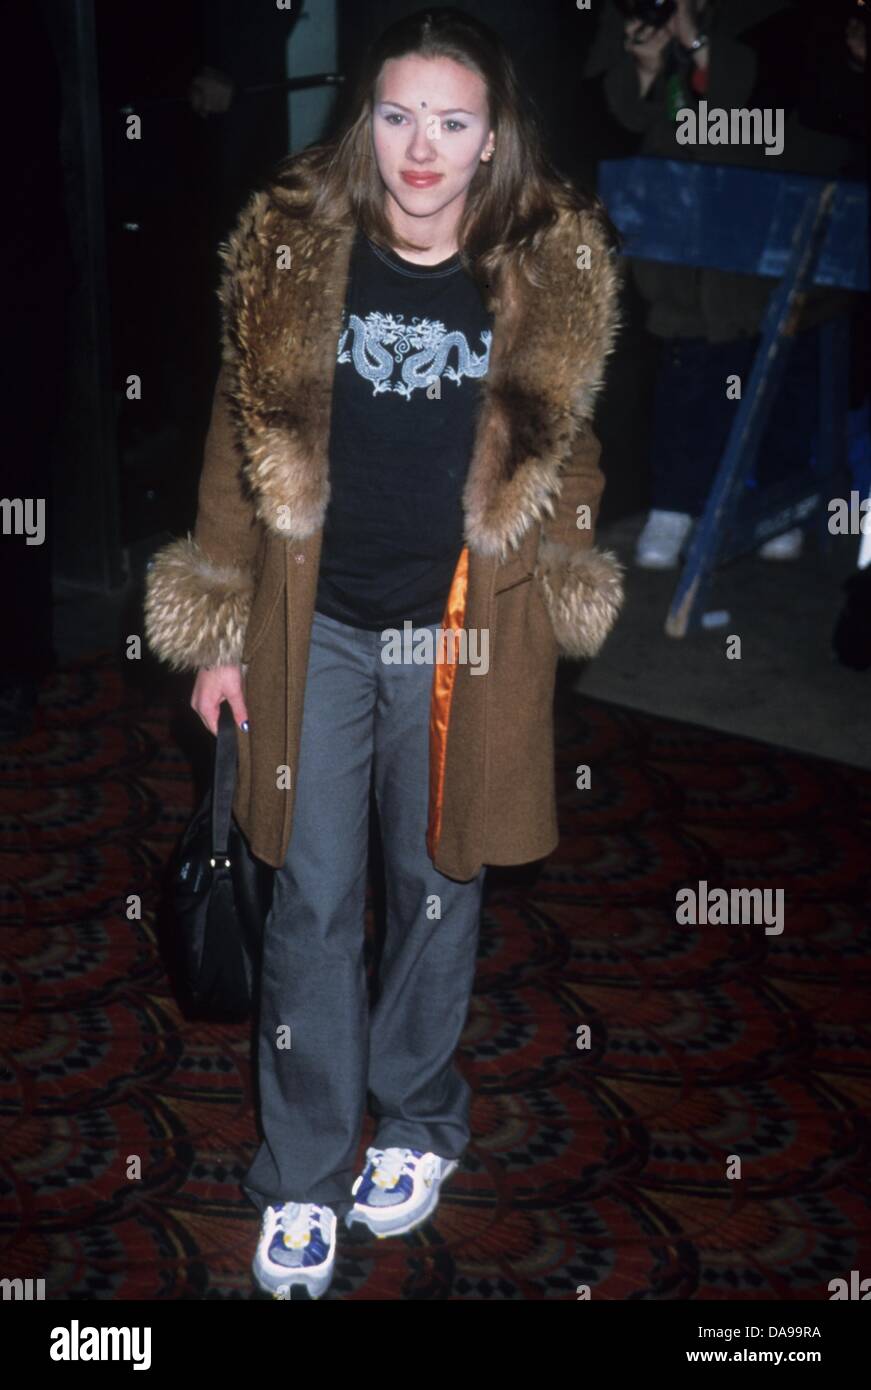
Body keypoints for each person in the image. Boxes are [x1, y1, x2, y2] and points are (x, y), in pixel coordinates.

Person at [144, 5, 623, 1301]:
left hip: (460, 632)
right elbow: (234, 454)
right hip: (318, 631)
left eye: (451, 120)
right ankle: (298, 1176)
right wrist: (218, 629)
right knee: (305, 895)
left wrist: (554, 572)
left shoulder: (546, 270)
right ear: (367, 122)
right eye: (399, 114)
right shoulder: (297, 252)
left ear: (489, 138)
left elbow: (572, 458)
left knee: (435, 878)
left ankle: (416, 1117)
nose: (421, 146)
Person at [585, 0, 864, 569]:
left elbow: (776, 111)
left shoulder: (781, 20)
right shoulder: (637, 9)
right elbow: (626, 120)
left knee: (784, 358)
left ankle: (777, 501)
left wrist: (697, 48)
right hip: (684, 237)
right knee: (690, 360)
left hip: (773, 218)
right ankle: (675, 504)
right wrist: (645, 65)